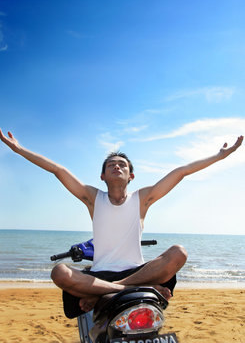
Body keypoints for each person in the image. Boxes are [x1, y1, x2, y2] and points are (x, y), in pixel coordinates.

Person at [0, 129, 243, 317]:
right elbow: (57, 169)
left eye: (122, 164)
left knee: (178, 252)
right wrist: (19, 149)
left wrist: (220, 156)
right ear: (103, 176)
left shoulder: (142, 199)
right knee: (59, 272)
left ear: (131, 176)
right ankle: (126, 290)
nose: (117, 166)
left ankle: (110, 290)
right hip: (99, 273)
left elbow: (182, 171)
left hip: (136, 273)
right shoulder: (93, 198)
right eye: (111, 164)